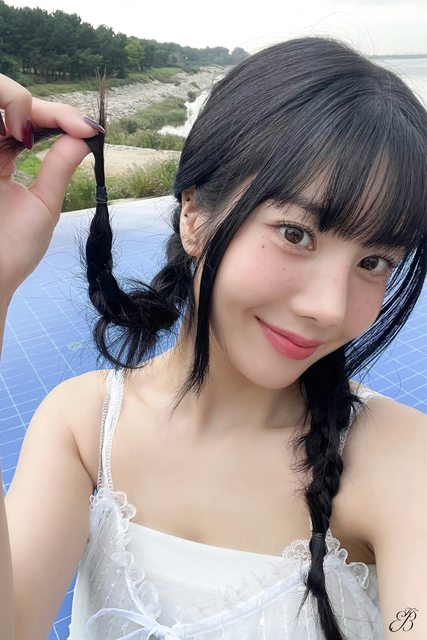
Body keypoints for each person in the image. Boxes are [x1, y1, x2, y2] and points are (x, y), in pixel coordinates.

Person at [0, 35, 426, 640]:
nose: (329, 308)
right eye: (296, 234)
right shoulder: (83, 428)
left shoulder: (403, 460)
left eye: (374, 261)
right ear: (195, 215)